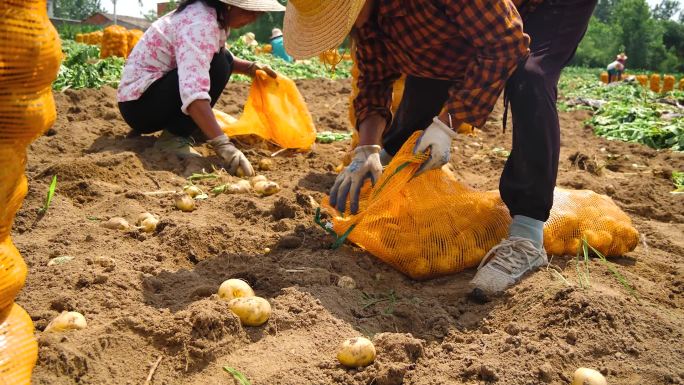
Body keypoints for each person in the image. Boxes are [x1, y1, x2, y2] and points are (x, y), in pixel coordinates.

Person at [283, 0, 597, 295]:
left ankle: (528, 235)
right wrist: (367, 150)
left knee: (530, 76)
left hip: (548, 5)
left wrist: (447, 124)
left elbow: (505, 43)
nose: (346, 28)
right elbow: (374, 82)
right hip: (473, 21)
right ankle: (387, 181)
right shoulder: (370, 20)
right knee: (425, 77)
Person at [117, 0, 284, 177]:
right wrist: (223, 145)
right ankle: (172, 138)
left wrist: (250, 67)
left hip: (145, 99)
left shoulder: (211, 16)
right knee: (220, 64)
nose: (252, 18)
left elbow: (211, 56)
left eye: (257, 14)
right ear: (228, 5)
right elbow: (194, 92)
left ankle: (187, 127)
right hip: (140, 106)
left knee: (223, 59)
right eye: (249, 11)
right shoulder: (200, 23)